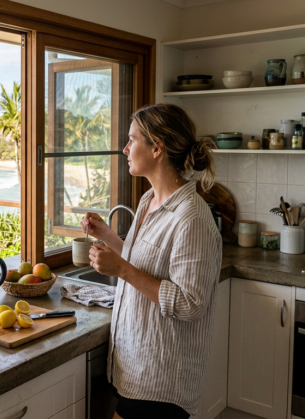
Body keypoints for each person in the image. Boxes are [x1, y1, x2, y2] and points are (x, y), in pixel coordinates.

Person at [81, 103, 222, 419]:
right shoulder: (149, 200)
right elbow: (140, 260)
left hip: (162, 380)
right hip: (137, 368)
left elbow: (190, 303)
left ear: (157, 148)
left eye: (132, 140)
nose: (125, 148)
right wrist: (107, 235)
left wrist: (121, 270)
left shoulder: (191, 217)